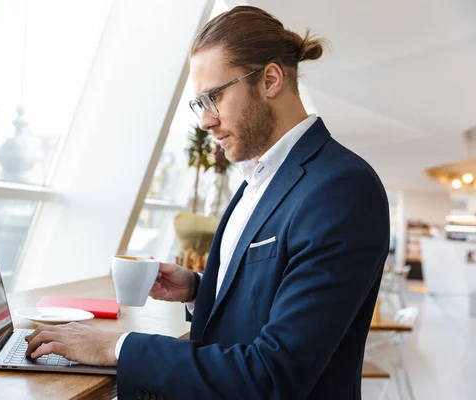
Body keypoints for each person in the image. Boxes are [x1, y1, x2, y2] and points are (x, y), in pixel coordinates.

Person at [25, 6, 390, 399]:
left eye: (213, 97)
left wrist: (117, 347)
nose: (205, 121)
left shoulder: (342, 188)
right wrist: (202, 290)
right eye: (200, 104)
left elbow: (275, 374)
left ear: (270, 79)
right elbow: (270, 298)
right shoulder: (259, 179)